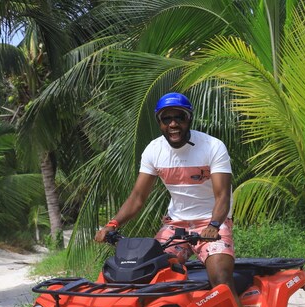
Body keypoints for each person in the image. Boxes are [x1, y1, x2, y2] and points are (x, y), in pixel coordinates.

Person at [94, 92, 237, 294]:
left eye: (179, 117)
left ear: (189, 118)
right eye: (166, 119)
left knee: (221, 278)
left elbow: (223, 196)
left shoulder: (213, 146)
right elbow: (137, 197)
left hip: (211, 223)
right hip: (175, 226)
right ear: (159, 122)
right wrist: (112, 224)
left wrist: (214, 225)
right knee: (146, 272)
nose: (173, 124)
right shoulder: (154, 150)